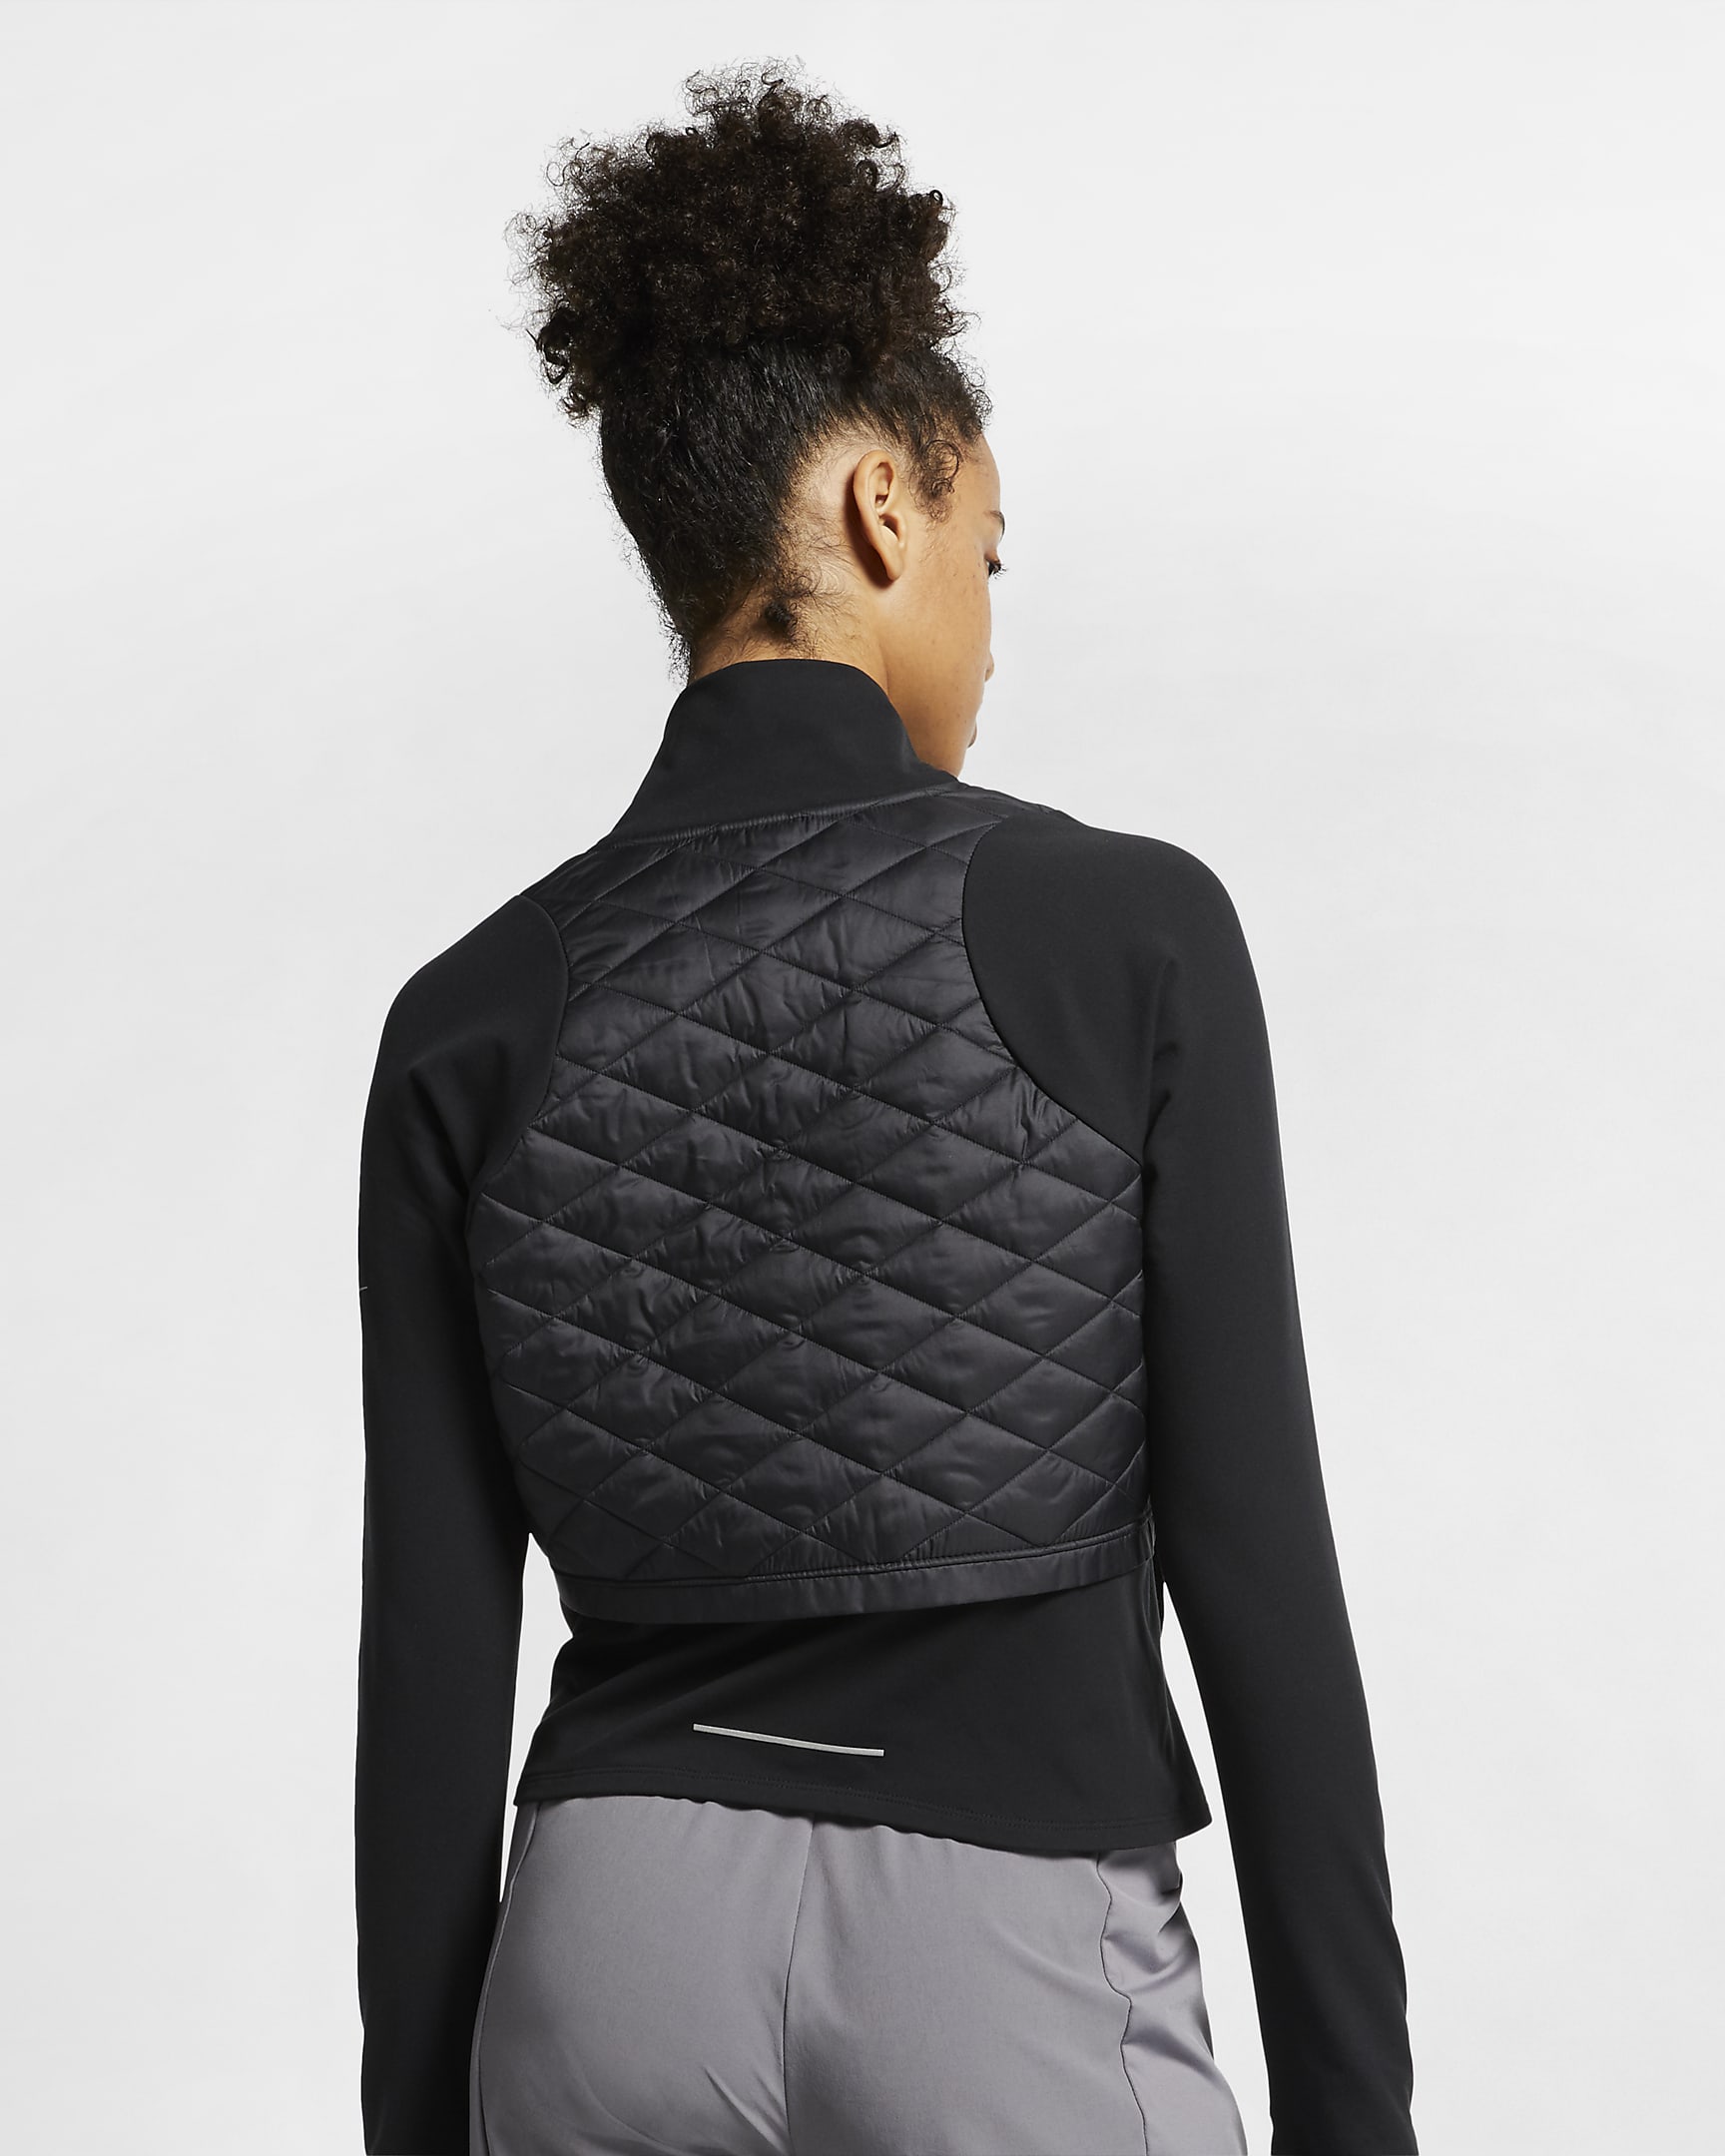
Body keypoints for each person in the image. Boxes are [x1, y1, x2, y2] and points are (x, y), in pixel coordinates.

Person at [354, 61, 1417, 2156]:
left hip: (602, 1944)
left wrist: (423, 2118)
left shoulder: (462, 1020)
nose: (993, 634)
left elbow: (428, 1667)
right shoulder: (1128, 930)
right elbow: (1260, 1578)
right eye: (989, 557)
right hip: (996, 1944)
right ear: (880, 507)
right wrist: (1357, 2123)